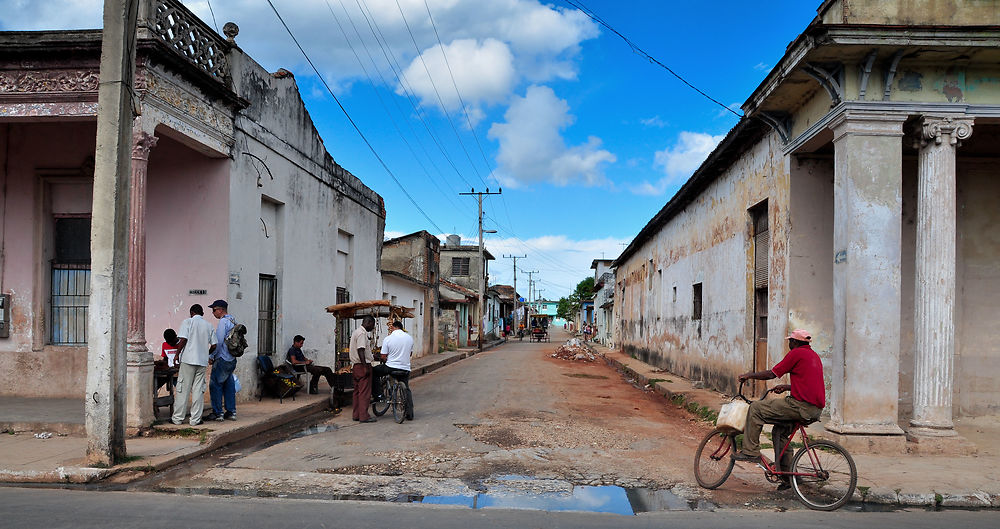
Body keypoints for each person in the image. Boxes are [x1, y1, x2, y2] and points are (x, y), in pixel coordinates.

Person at [733, 329, 825, 491]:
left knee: (756, 408)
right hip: (813, 409)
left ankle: (750, 451)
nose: (789, 344)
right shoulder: (813, 356)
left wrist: (749, 375)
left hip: (800, 406)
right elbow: (807, 383)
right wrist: (788, 387)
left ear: (795, 343)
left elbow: (772, 373)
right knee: (779, 432)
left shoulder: (796, 354)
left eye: (790, 341)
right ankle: (788, 478)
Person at [171, 304, 217, 426]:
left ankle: (177, 418)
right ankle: (195, 420)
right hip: (201, 362)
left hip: (188, 360)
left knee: (183, 389)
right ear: (202, 313)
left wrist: (177, 354)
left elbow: (183, 340)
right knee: (198, 390)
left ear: (191, 312)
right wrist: (206, 354)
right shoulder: (209, 325)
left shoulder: (187, 322)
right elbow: (214, 345)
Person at [372, 320, 414, 418]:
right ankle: (410, 413)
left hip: (390, 367)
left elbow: (383, 356)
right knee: (407, 388)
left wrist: (385, 358)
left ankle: (378, 394)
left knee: (374, 371)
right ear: (401, 327)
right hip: (405, 368)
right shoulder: (409, 338)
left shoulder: (388, 338)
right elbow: (410, 353)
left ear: (393, 327)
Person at [207, 299, 238, 422]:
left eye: (214, 310)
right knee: (229, 385)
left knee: (215, 385)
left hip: (222, 358)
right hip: (231, 358)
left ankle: (218, 412)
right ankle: (231, 411)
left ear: (220, 310)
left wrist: (211, 356)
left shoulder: (223, 322)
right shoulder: (233, 320)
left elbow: (218, 342)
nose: (213, 313)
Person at [350, 315, 377, 423]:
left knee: (357, 392)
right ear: (369, 322)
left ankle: (356, 414)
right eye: (373, 325)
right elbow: (361, 349)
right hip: (362, 365)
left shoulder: (356, 332)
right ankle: (364, 416)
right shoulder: (362, 333)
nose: (373, 327)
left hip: (356, 366)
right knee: (364, 392)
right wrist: (365, 366)